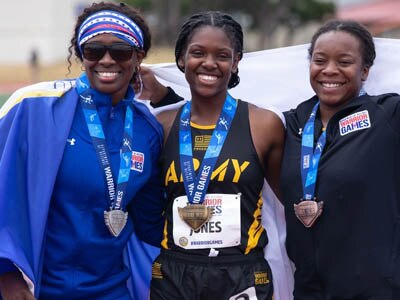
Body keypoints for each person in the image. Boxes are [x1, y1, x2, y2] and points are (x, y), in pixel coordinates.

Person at [0, 2, 165, 300]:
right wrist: (5, 274)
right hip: (36, 288)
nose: (106, 60)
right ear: (80, 54)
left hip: (113, 290)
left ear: (138, 56)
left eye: (120, 51)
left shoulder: (146, 131)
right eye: (93, 50)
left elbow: (151, 224)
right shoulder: (35, 108)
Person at [149, 11, 285, 300]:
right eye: (198, 53)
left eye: (222, 55)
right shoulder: (161, 126)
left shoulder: (264, 125)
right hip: (175, 273)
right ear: (182, 59)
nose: (209, 63)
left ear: (235, 62)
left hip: (242, 273)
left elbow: (290, 199)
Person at [280, 20, 400, 299]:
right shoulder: (290, 123)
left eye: (344, 61)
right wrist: (166, 96)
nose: (330, 70)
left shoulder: (388, 115)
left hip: (375, 289)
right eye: (320, 60)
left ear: (365, 70)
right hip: (309, 289)